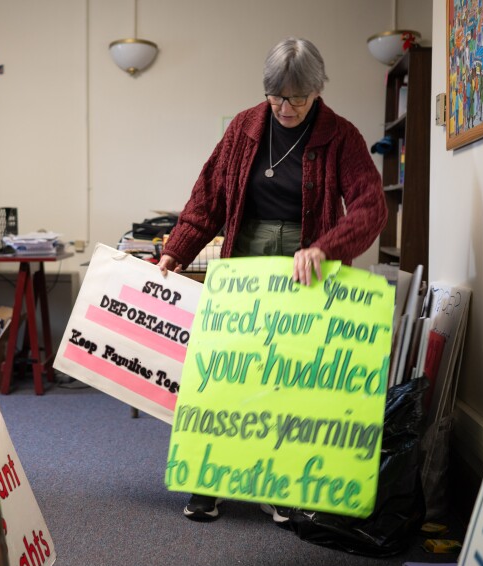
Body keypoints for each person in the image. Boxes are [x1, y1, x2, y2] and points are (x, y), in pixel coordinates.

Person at [157, 37, 387, 522]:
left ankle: (280, 482)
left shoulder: (341, 136)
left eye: (297, 98)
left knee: (288, 378)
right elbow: (208, 198)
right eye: (276, 97)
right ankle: (208, 480)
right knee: (225, 371)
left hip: (308, 264)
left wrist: (325, 248)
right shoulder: (243, 128)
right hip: (244, 261)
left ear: (318, 92)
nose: (285, 108)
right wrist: (177, 250)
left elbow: (371, 208)